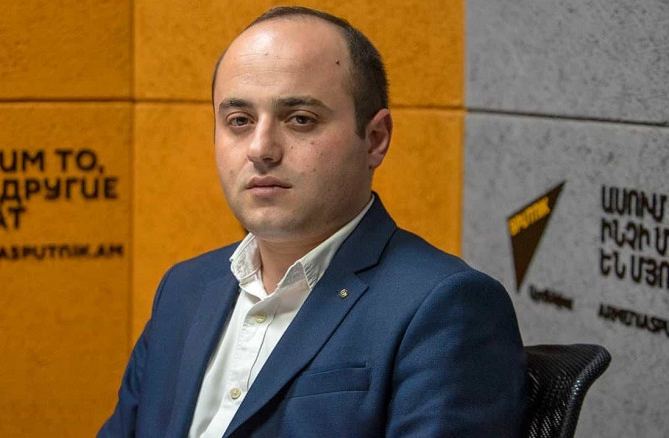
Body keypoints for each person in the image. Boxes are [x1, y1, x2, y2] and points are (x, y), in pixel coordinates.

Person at [99, 6, 526, 437]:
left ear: (375, 139)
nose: (260, 149)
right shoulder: (183, 290)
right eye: (239, 121)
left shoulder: (445, 306)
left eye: (300, 119)